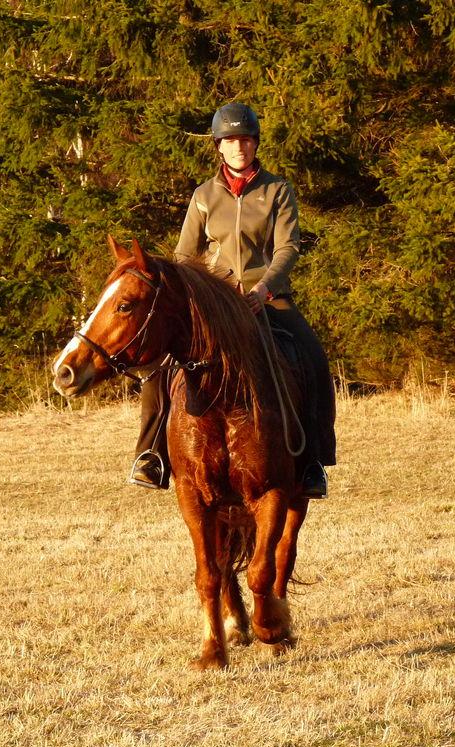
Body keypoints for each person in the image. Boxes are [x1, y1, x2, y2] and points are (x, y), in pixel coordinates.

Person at [130, 102, 336, 498]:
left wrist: (264, 289)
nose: (238, 147)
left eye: (245, 139)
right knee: (160, 363)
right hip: (214, 303)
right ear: (219, 147)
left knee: (312, 355)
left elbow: (288, 248)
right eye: (230, 140)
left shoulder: (277, 190)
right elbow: (184, 255)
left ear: (255, 143)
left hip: (266, 297)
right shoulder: (204, 196)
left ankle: (313, 460)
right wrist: (201, 296)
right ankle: (151, 455)